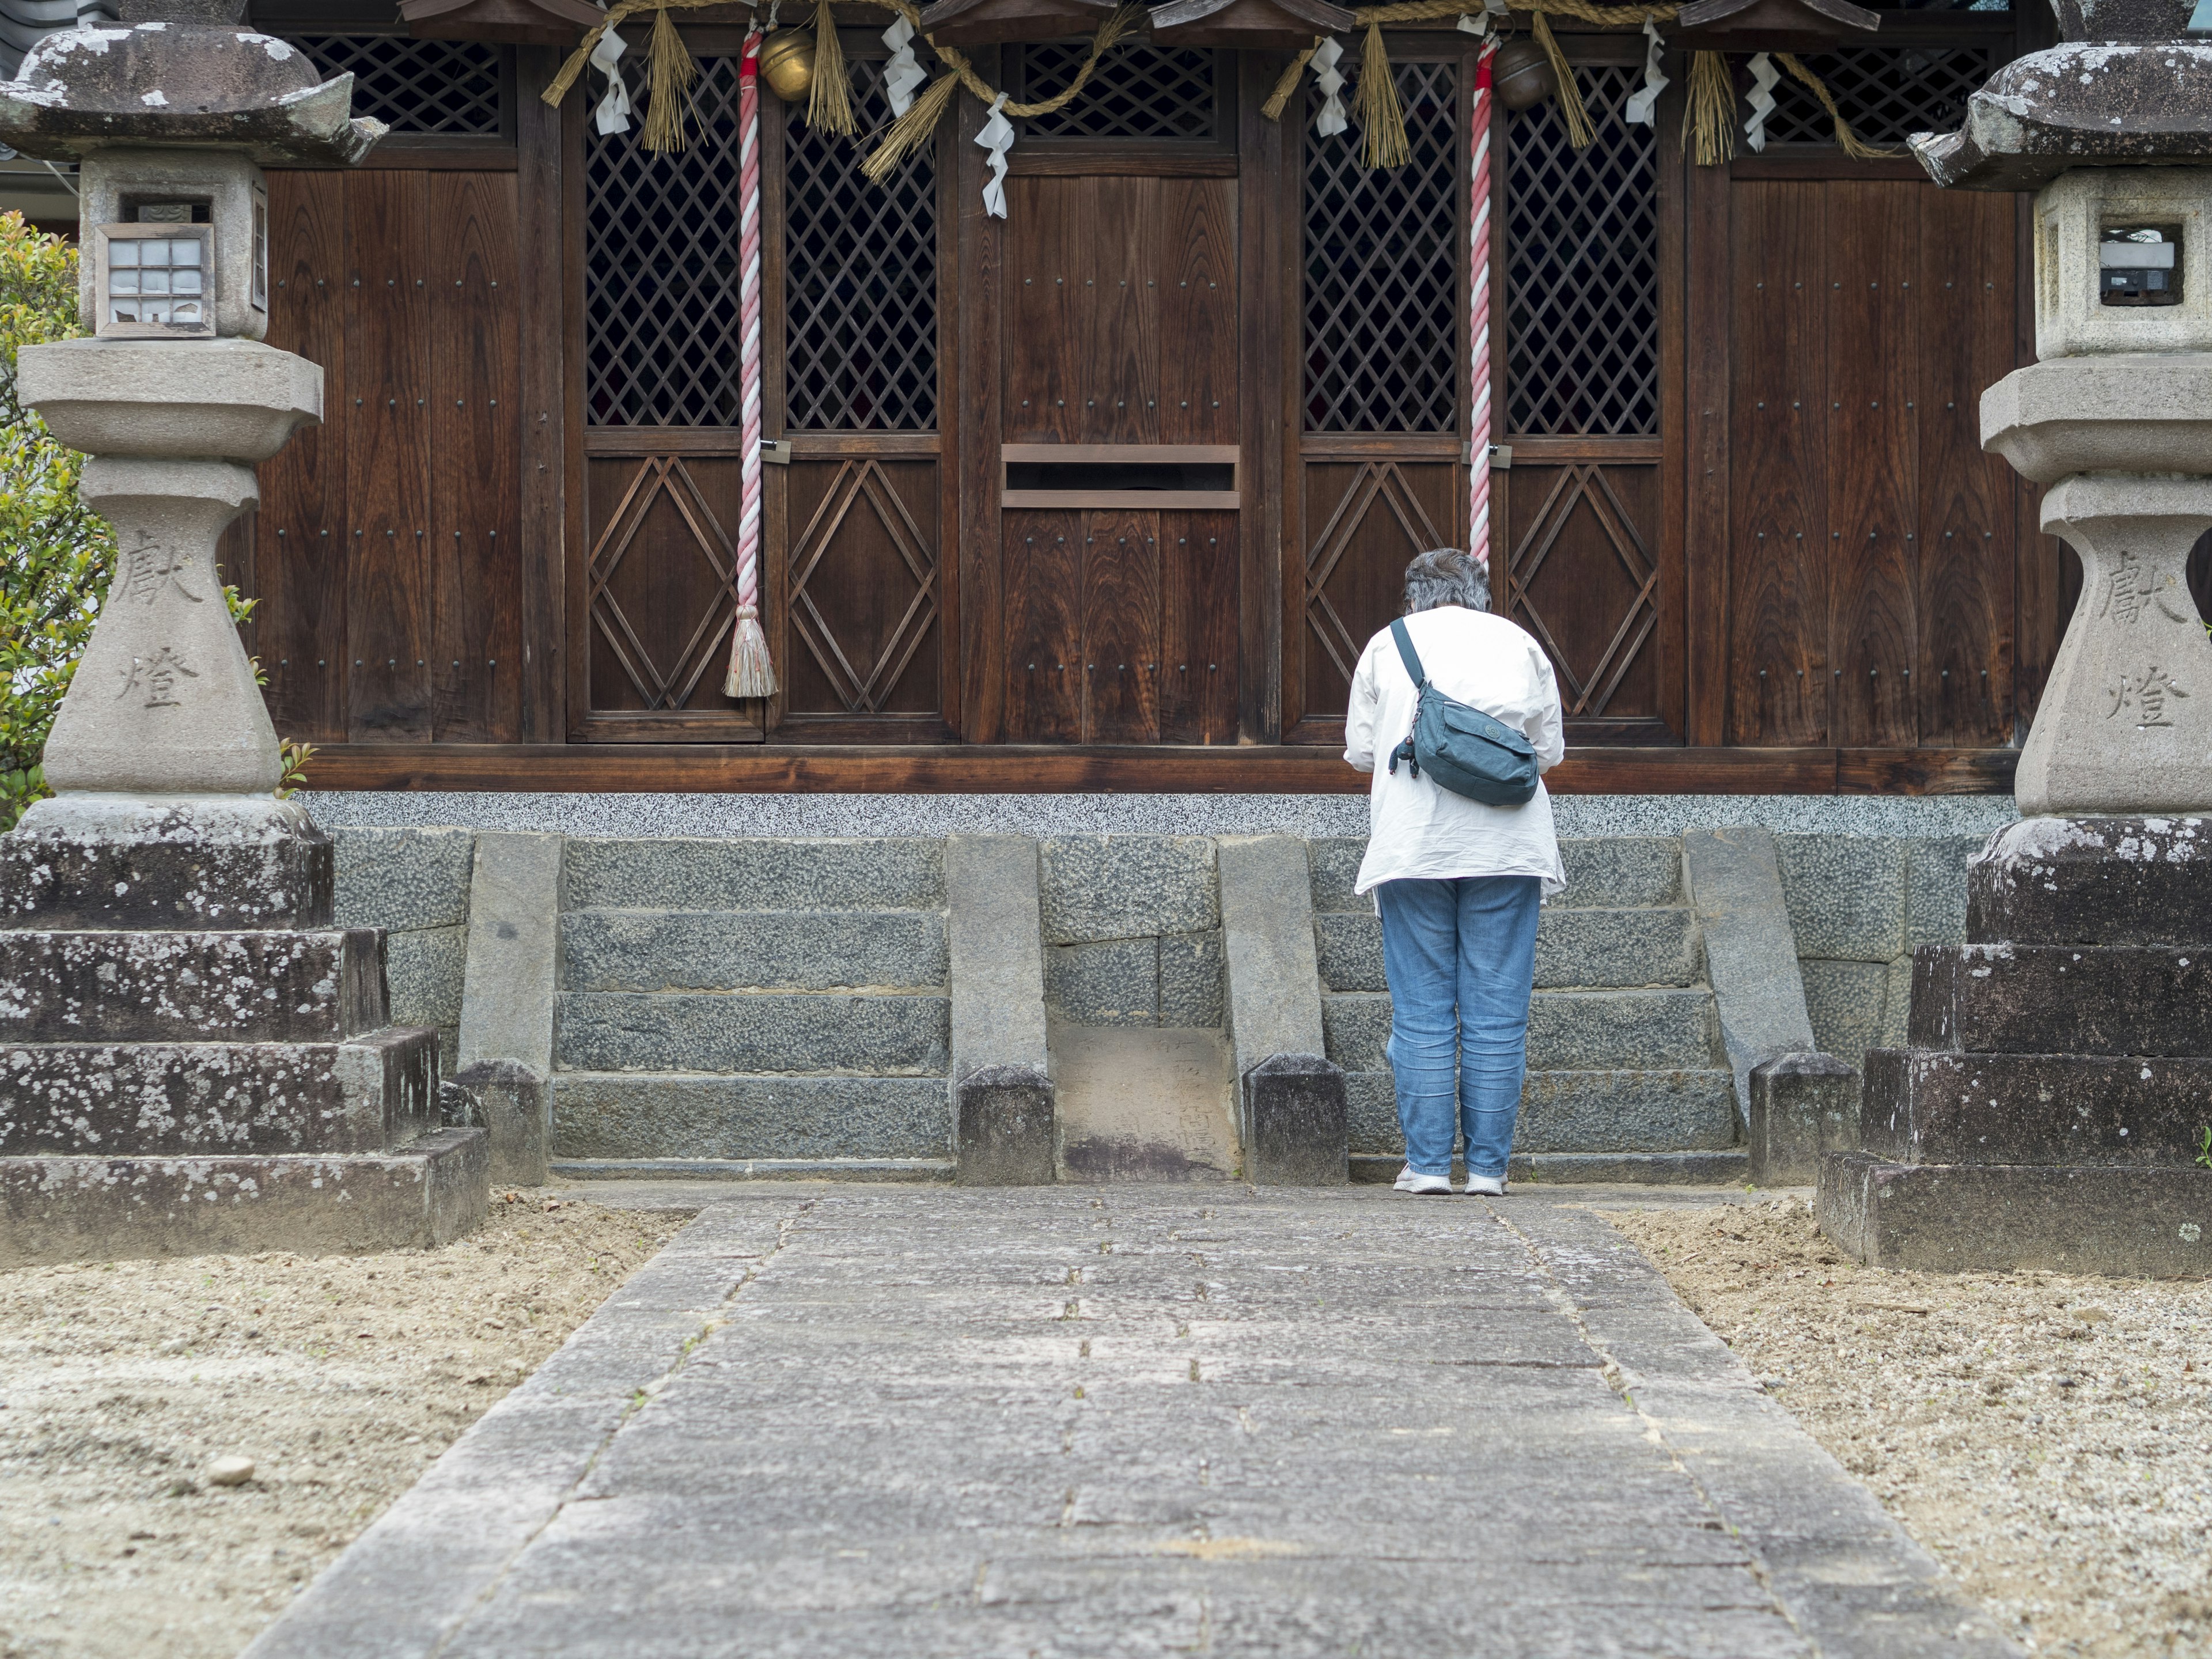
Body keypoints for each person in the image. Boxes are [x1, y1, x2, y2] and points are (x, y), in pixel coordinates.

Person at [1343, 548, 1565, 1198]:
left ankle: (1430, 1167)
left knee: (1422, 1013)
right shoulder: (1520, 643)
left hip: (1414, 847)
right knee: (1498, 1016)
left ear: (1414, 597)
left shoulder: (1388, 645)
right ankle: (1490, 1172)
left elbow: (1361, 751)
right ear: (1480, 595)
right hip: (1509, 844)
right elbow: (1547, 751)